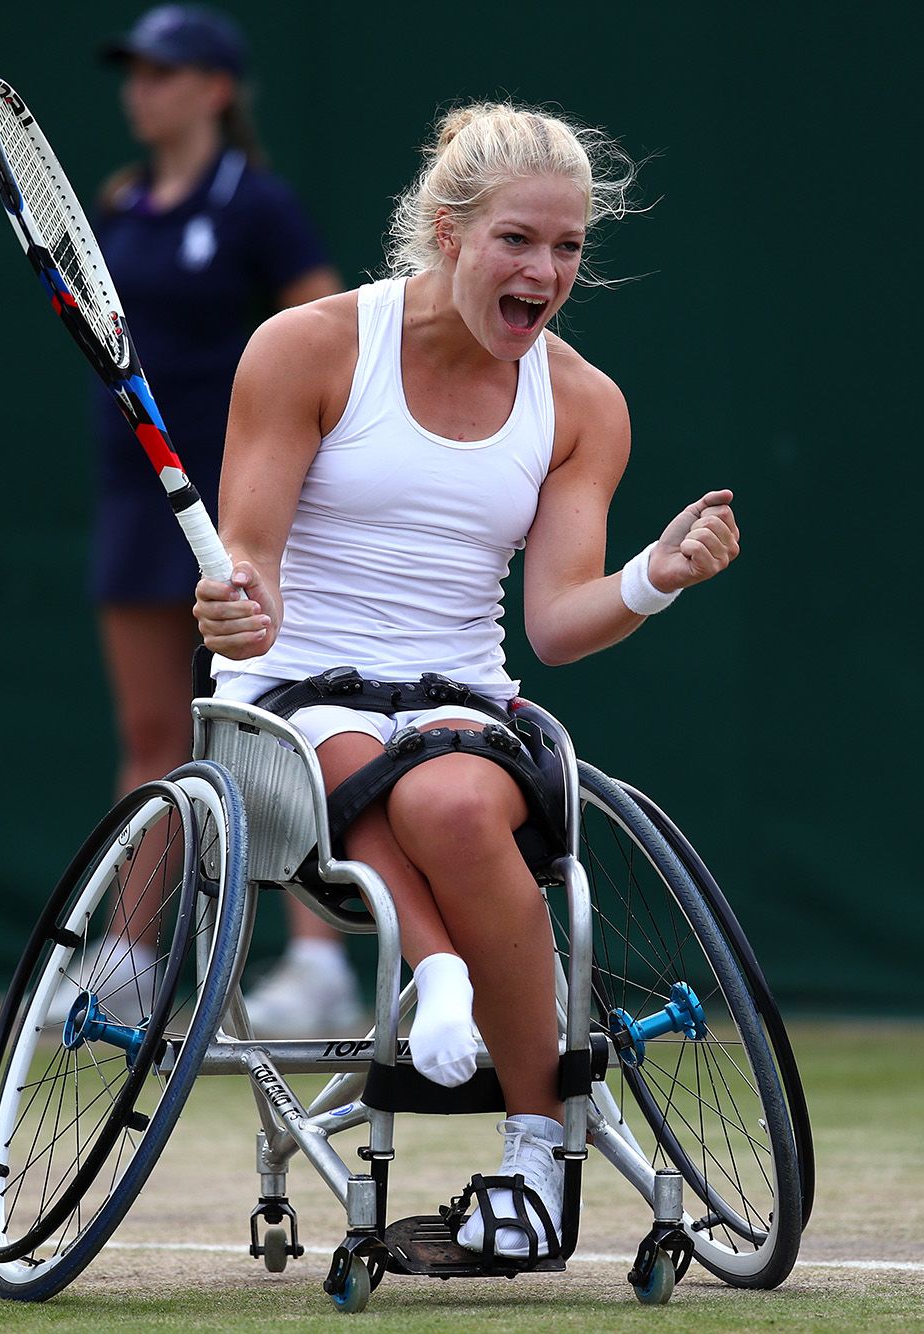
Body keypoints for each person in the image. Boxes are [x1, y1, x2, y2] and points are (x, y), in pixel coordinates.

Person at [193, 101, 740, 1258]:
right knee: (341, 750)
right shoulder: (307, 348)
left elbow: (555, 621)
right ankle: (440, 974)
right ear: (445, 231)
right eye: (517, 241)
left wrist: (655, 575)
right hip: (290, 691)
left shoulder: (583, 404)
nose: (545, 271)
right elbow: (254, 557)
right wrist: (237, 601)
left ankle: (535, 1158)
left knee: (444, 794)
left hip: (455, 705)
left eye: (568, 248)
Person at [88, 6, 360, 1038]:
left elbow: (325, 333)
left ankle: (319, 960)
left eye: (163, 73)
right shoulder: (116, 208)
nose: (140, 89)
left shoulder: (261, 209)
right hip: (132, 500)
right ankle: (124, 959)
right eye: (135, 72)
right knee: (151, 733)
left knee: (274, 721)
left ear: (214, 88)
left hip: (241, 502)